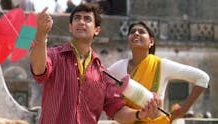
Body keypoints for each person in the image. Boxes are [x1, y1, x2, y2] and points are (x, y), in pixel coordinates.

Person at [30, 4, 159, 124]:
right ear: (70, 27)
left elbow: (117, 110)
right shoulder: (54, 56)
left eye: (87, 19)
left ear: (97, 30)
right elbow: (38, 70)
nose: (81, 22)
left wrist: (139, 114)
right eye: (77, 18)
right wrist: (41, 36)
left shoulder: (102, 74)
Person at [108, 21, 210, 123]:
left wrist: (182, 111)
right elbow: (100, 84)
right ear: (129, 41)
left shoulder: (161, 65)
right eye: (132, 32)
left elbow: (202, 78)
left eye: (141, 32)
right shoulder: (118, 67)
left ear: (151, 42)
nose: (136, 33)